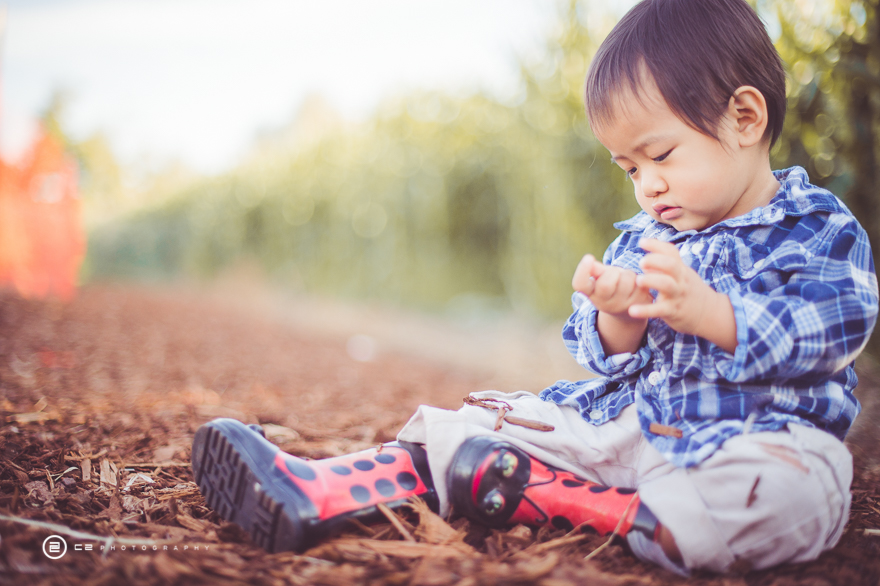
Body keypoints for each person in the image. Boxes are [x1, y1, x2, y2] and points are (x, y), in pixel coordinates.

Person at [191, 0, 879, 575]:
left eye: (661, 155)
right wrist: (618, 315)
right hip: (629, 432)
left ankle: (561, 502)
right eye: (628, 168)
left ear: (745, 119)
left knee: (796, 494)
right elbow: (599, 352)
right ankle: (320, 486)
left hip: (753, 439)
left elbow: (835, 328)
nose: (648, 186)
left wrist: (712, 314)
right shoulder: (648, 233)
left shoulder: (816, 229)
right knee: (483, 422)